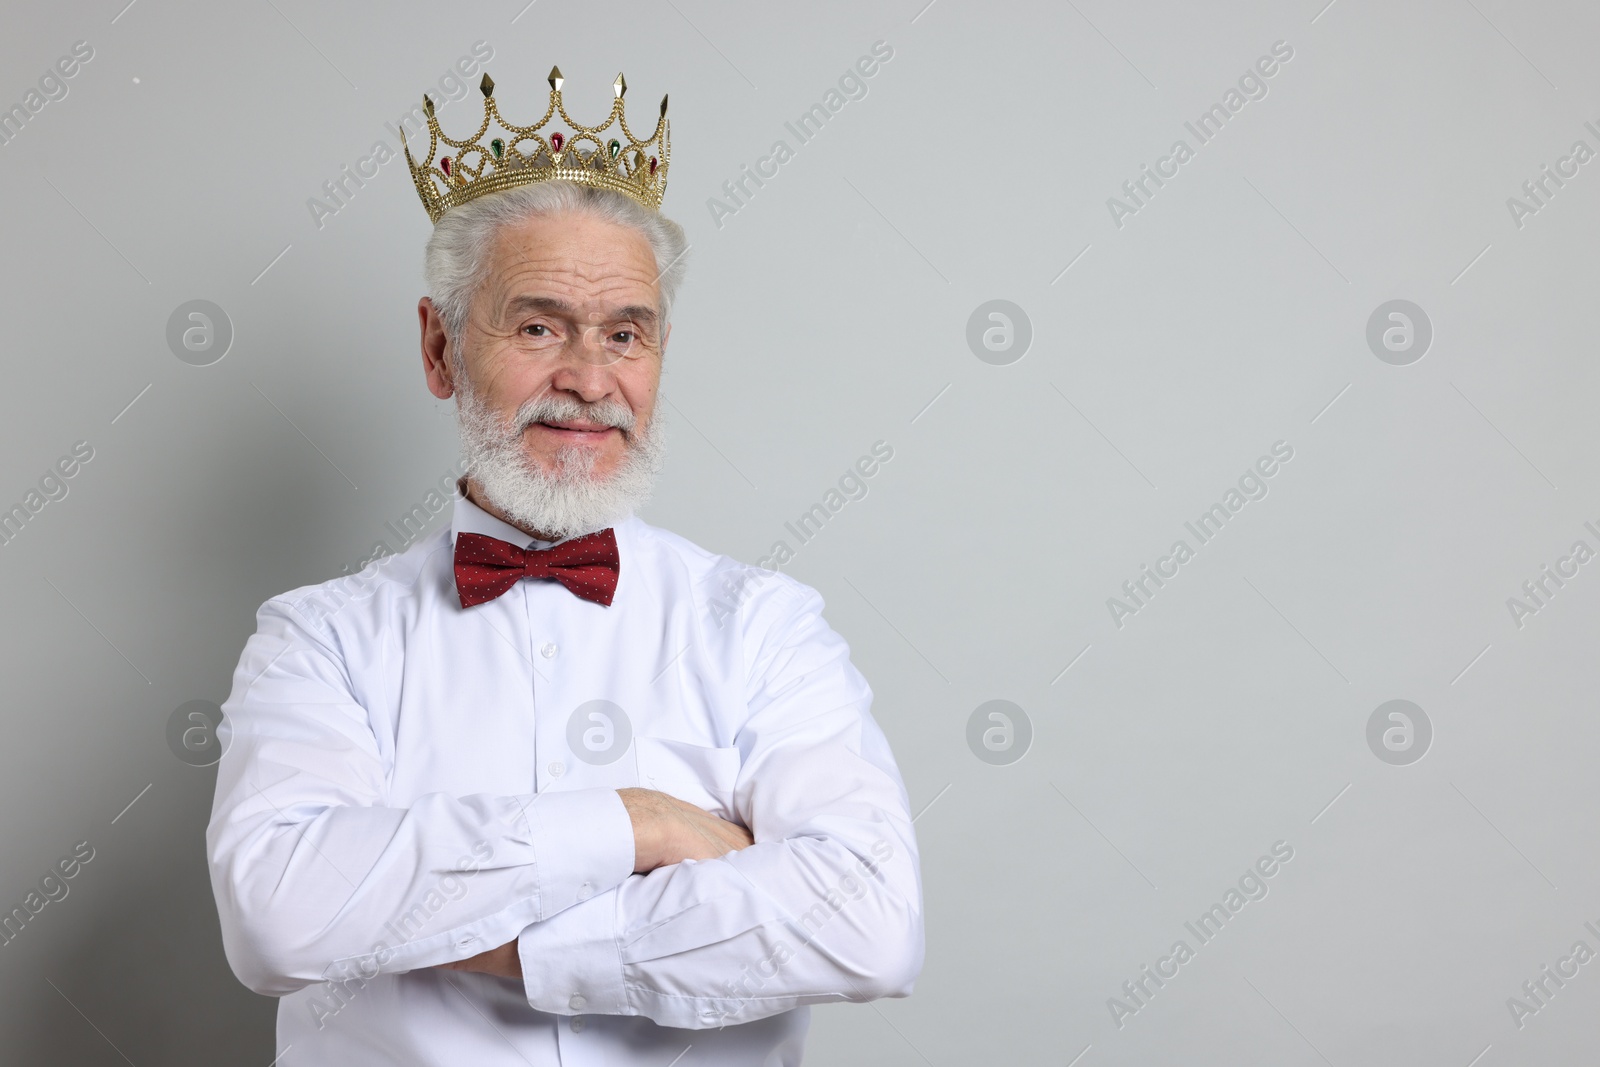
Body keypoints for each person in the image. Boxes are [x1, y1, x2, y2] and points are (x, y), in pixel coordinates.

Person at [206, 67, 923, 1066]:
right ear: (440, 347)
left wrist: (475, 927)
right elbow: (281, 916)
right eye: (539, 325)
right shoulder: (318, 637)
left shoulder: (763, 625)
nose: (589, 381)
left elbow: (870, 922)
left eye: (625, 333)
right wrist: (641, 823)